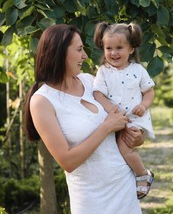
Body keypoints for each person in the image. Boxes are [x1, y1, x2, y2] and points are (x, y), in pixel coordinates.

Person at [24, 24, 145, 214]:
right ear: (60, 52)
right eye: (79, 50)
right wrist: (106, 127)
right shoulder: (42, 101)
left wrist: (137, 137)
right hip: (91, 199)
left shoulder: (90, 81)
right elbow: (67, 162)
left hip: (124, 187)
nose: (85, 56)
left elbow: (119, 123)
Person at [93, 21, 155, 199]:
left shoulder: (138, 70)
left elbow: (149, 92)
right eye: (108, 48)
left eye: (119, 47)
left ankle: (143, 174)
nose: (113, 53)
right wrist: (110, 108)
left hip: (135, 118)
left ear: (131, 49)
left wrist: (143, 105)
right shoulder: (103, 71)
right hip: (115, 118)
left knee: (124, 147)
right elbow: (98, 94)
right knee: (113, 149)